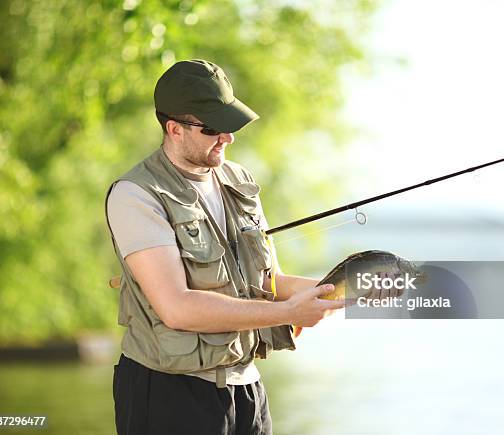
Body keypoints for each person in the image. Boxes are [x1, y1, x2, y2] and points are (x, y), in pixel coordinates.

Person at [105, 59, 345, 435]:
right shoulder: (136, 195)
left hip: (247, 390)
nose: (228, 138)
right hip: (170, 393)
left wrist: (341, 292)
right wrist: (287, 312)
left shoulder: (239, 180)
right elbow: (177, 308)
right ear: (174, 129)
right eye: (214, 127)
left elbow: (271, 281)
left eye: (231, 125)